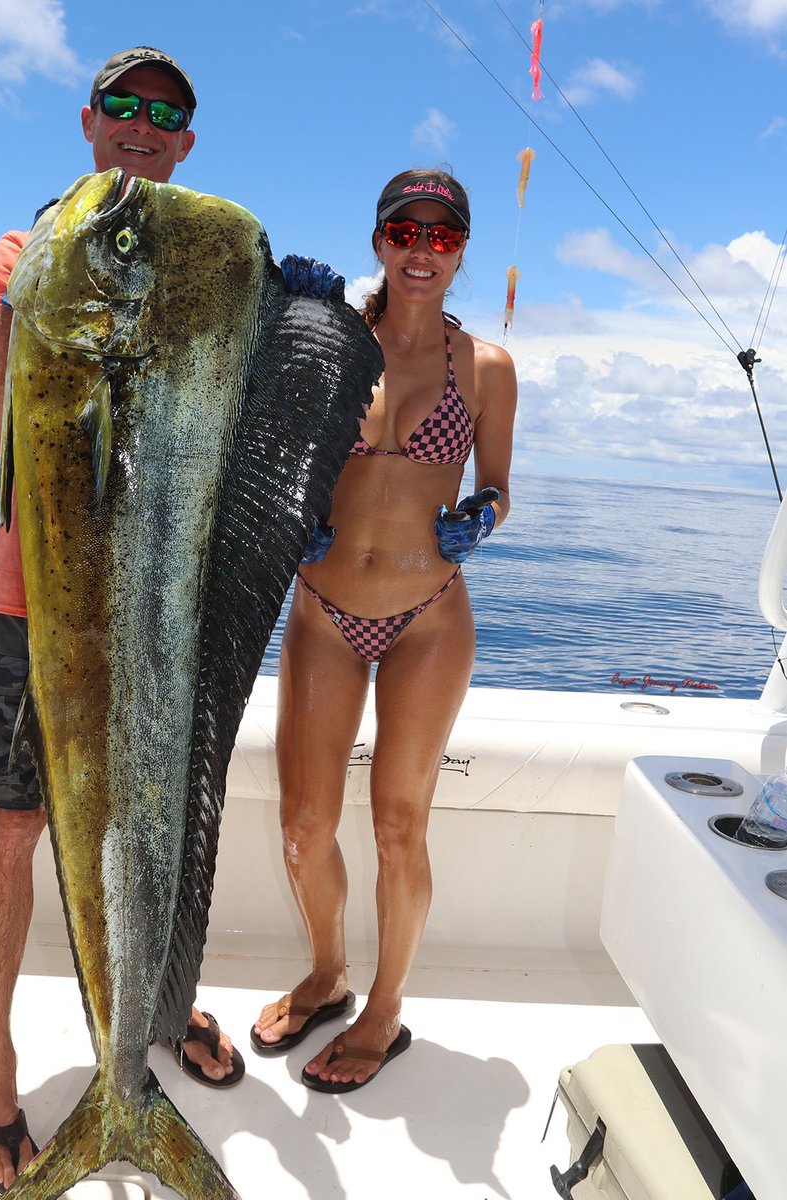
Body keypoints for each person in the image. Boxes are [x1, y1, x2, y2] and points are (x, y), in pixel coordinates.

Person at [0, 47, 230, 1196]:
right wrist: (35, 311)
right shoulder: (26, 256)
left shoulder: (213, 276)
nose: (141, 123)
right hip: (41, 608)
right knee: (18, 830)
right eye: (122, 104)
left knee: (162, 827)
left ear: (186, 143)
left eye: (164, 112)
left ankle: (150, 1023)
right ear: (87, 121)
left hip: (172, 614)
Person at [251, 169, 517, 1092]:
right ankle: (327, 972)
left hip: (427, 620)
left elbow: (498, 486)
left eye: (442, 237)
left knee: (399, 829)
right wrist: (280, 313)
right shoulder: (328, 346)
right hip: (322, 613)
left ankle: (385, 1008)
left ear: (460, 253)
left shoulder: (485, 368)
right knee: (301, 828)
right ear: (378, 242)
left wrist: (477, 517)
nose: (421, 250)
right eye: (405, 231)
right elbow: (269, 449)